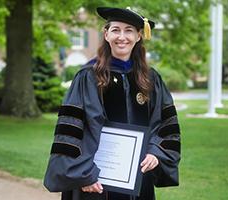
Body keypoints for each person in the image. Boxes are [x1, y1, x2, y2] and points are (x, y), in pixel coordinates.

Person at [44, 7, 181, 200]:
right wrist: (84, 175)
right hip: (94, 182)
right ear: (106, 34)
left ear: (139, 36)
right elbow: (71, 131)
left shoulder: (150, 79)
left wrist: (155, 152)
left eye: (129, 30)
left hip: (137, 180)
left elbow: (166, 125)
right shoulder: (88, 77)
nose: (122, 37)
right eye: (116, 30)